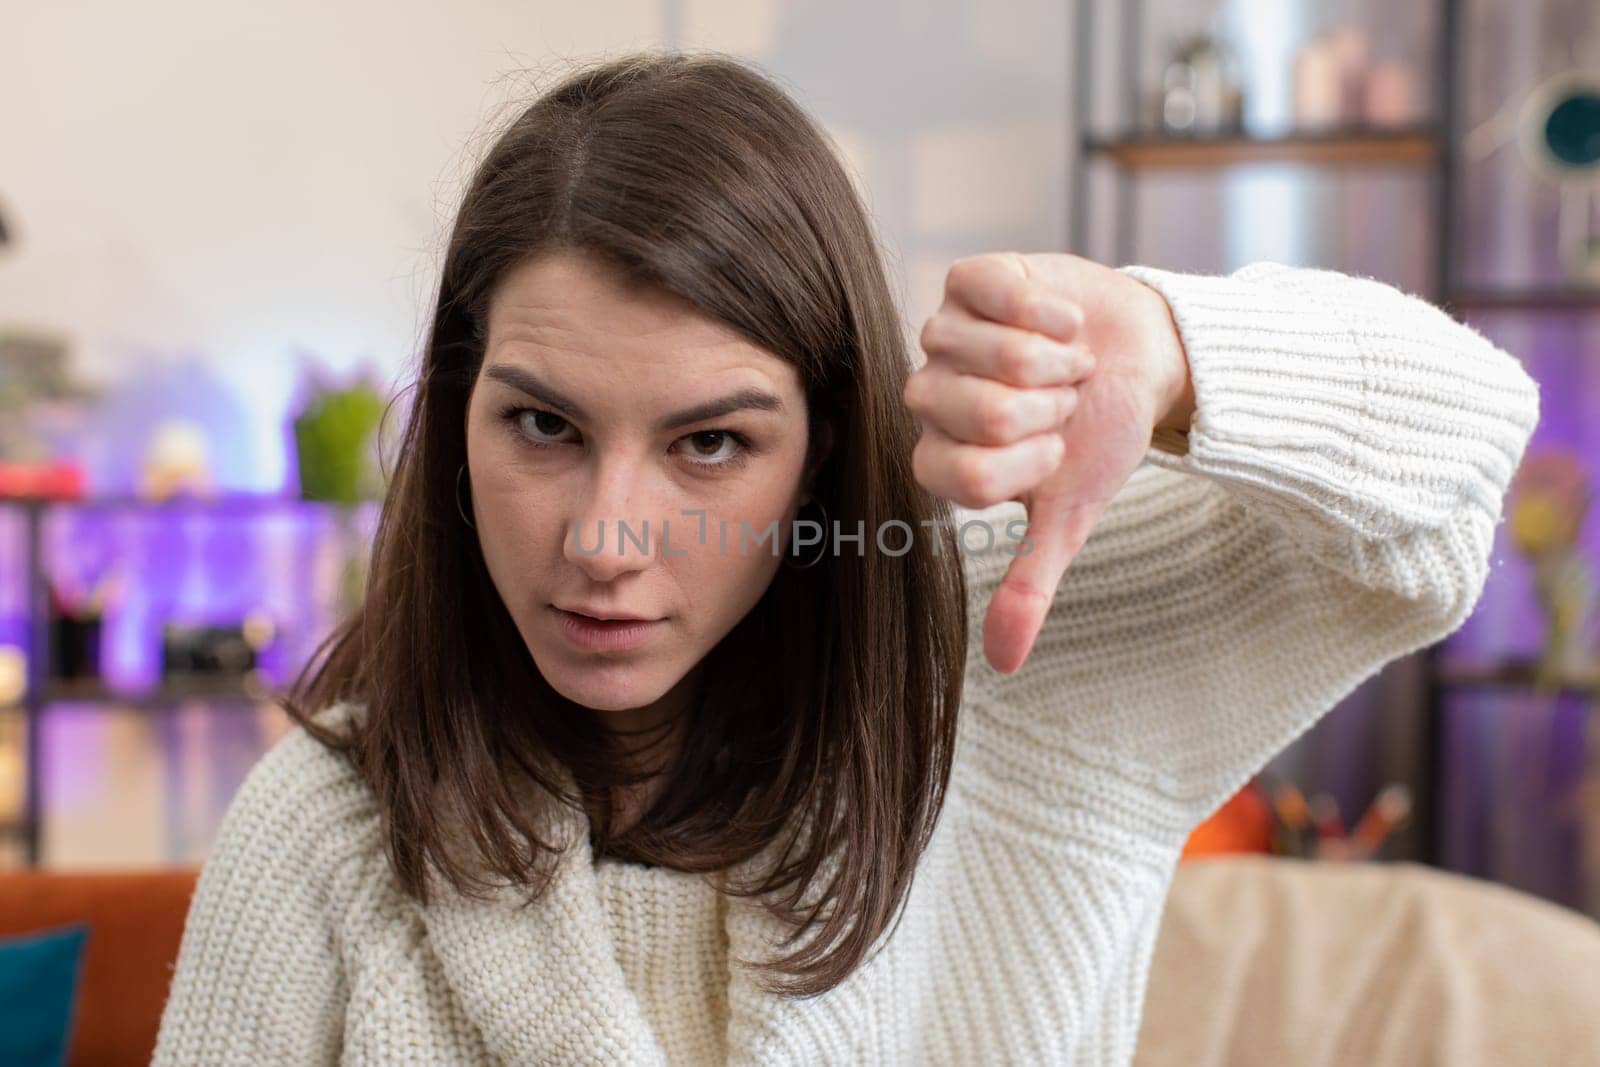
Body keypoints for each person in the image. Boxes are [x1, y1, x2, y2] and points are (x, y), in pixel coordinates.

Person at [151, 51, 1540, 1066]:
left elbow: (1457, 478)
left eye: (708, 445)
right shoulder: (326, 831)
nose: (602, 540)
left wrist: (1175, 349)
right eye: (543, 425)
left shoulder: (1007, 659)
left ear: (826, 448)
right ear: (454, 414)